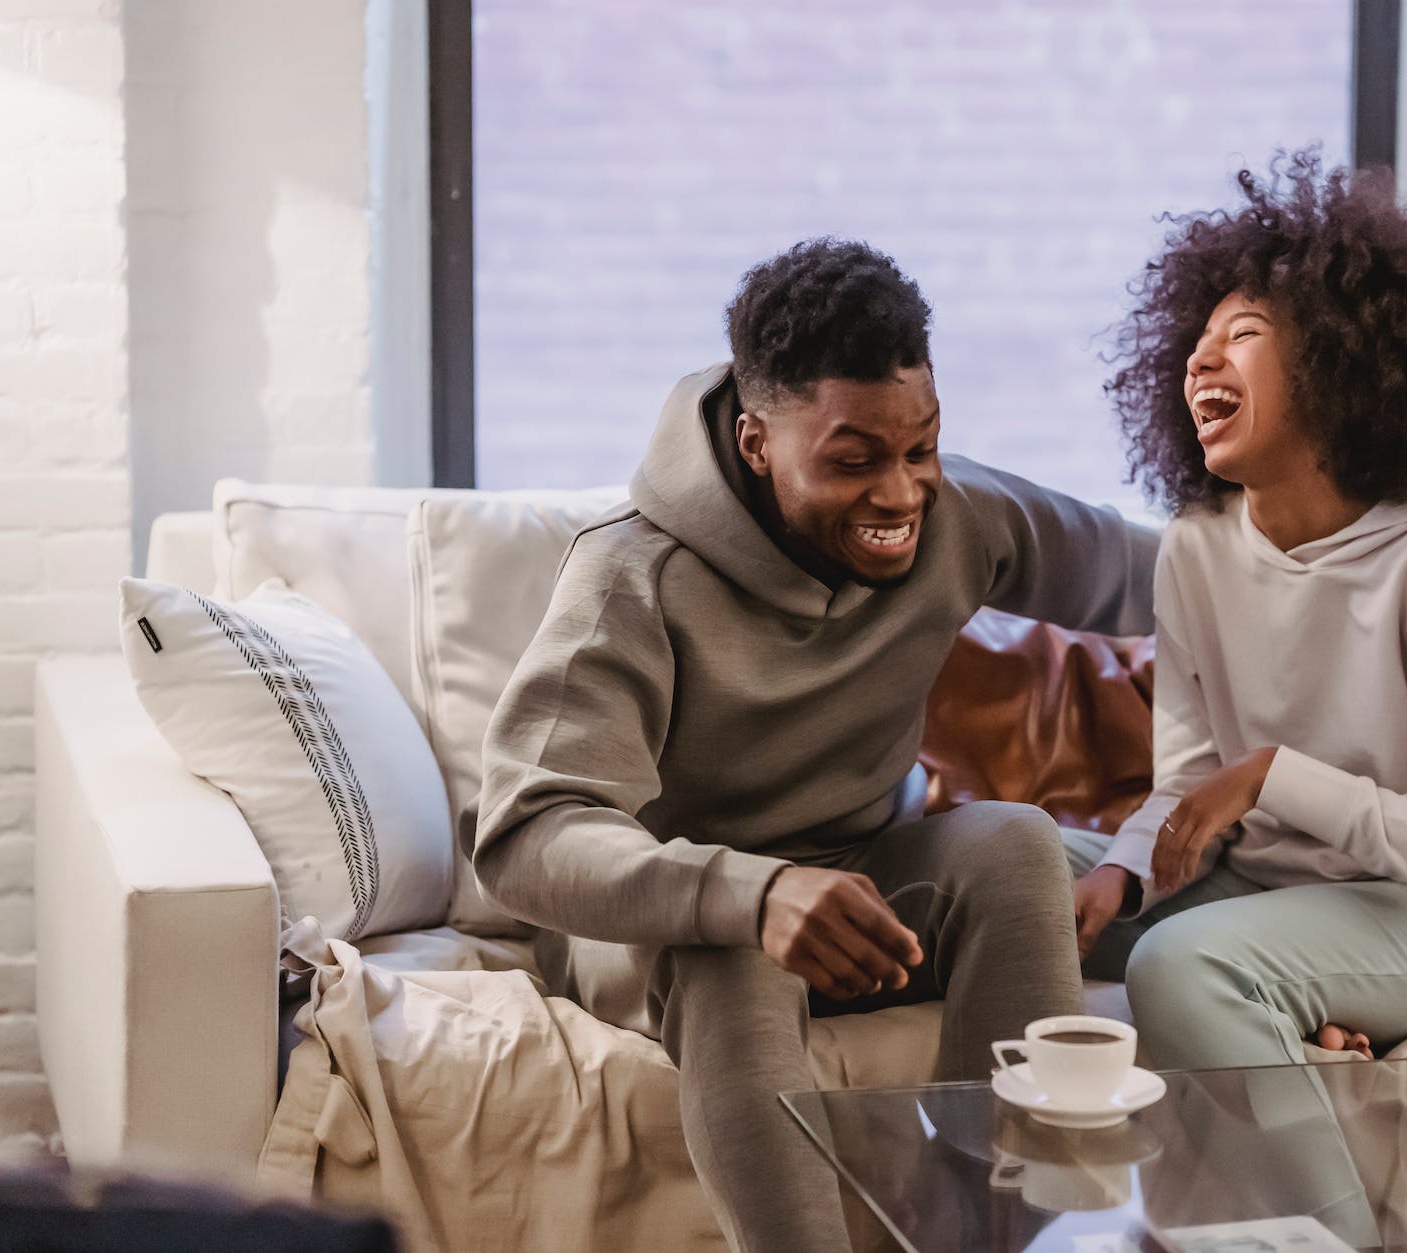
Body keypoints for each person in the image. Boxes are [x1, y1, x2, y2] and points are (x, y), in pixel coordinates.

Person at [476, 238, 1158, 1252]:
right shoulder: (632, 575)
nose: (899, 494)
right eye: (853, 461)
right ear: (756, 442)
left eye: (918, 449)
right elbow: (525, 836)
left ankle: (996, 1236)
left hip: (864, 877)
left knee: (1013, 841)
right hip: (679, 917)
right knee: (735, 960)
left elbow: (1165, 575)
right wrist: (748, 892)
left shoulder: (955, 514)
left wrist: (1366, 546)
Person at [1065, 150, 1407, 1073]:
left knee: (1182, 964)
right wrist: (1122, 868)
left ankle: (1322, 1223)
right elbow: (1188, 788)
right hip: (1277, 881)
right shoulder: (1198, 543)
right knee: (1019, 883)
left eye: (1245, 333)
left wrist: (1269, 777)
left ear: (1344, 368)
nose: (1201, 359)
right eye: (1200, 339)